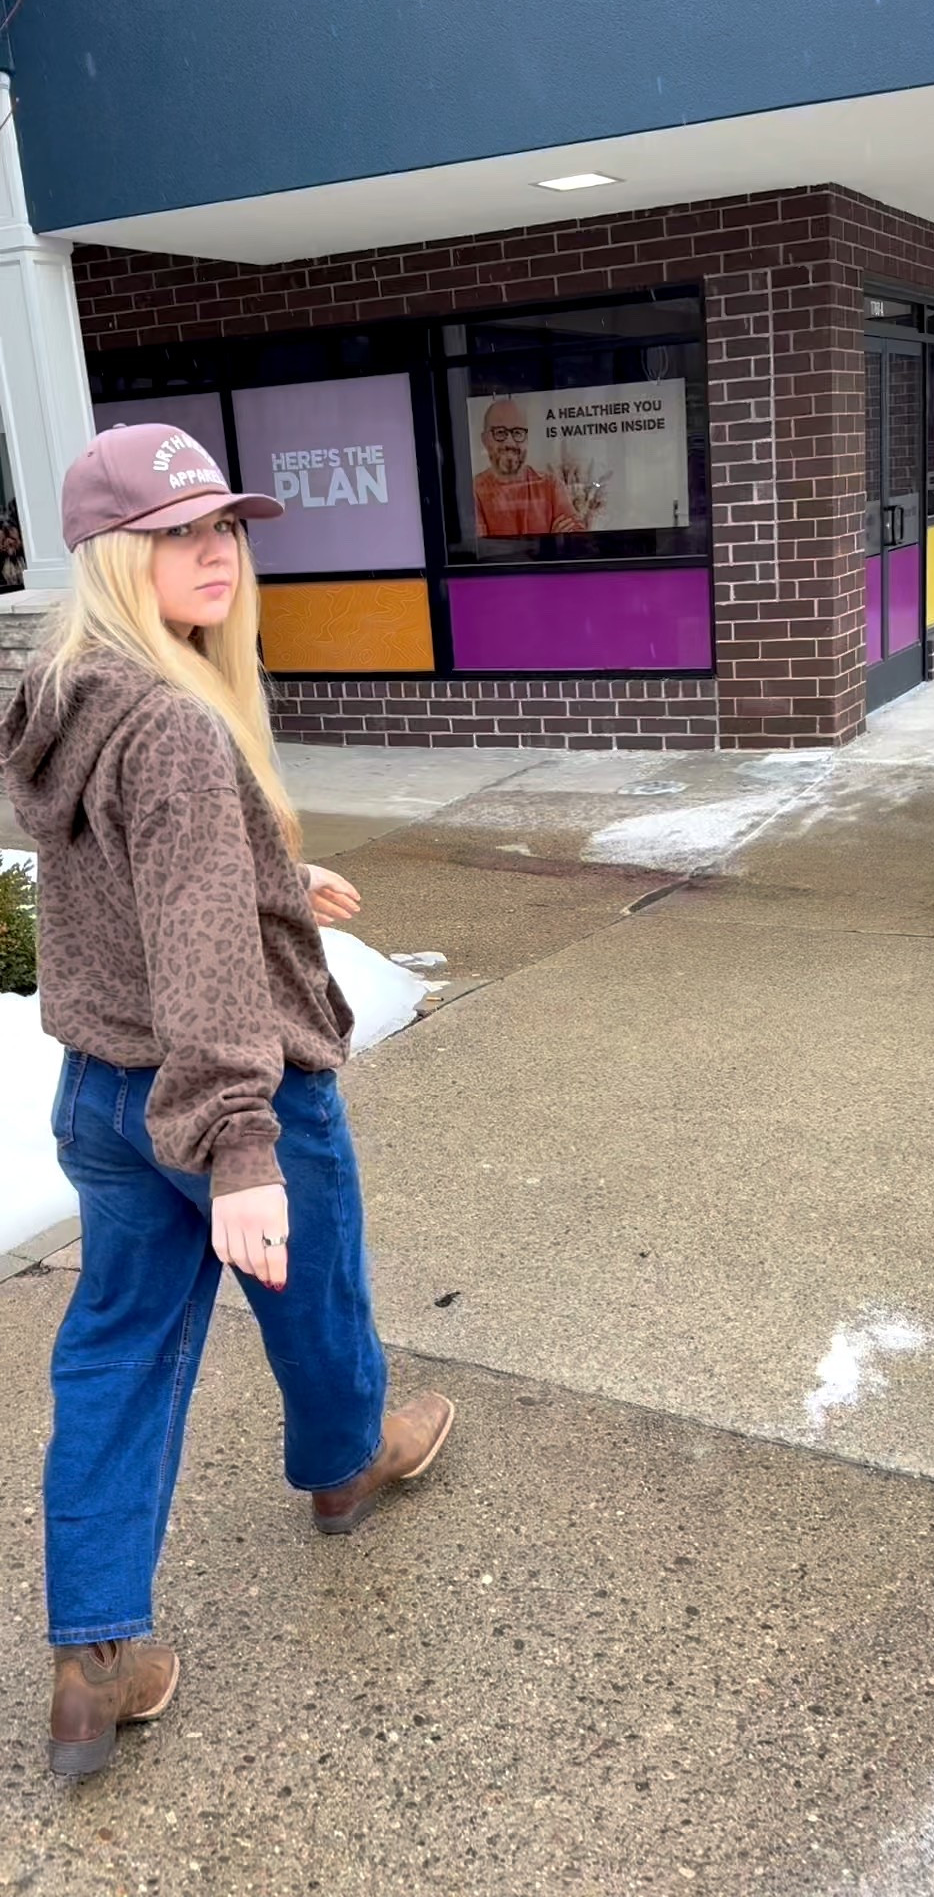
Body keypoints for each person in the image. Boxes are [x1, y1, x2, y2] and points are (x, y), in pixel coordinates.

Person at [0, 423, 454, 1779]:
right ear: (110, 556)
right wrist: (241, 1147)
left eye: (227, 527)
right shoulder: (180, 727)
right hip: (222, 1097)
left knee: (116, 1353)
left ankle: (95, 1659)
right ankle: (346, 1461)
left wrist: (273, 885)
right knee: (314, 1309)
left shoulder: (69, 694)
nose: (217, 554)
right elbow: (193, 943)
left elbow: (140, 885)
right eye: (178, 533)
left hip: (104, 1097)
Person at [473, 396, 586, 537]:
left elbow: (576, 540)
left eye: (517, 433)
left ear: (526, 439)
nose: (510, 443)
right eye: (500, 433)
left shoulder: (551, 485)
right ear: (485, 440)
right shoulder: (474, 492)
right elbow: (478, 553)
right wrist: (549, 545)